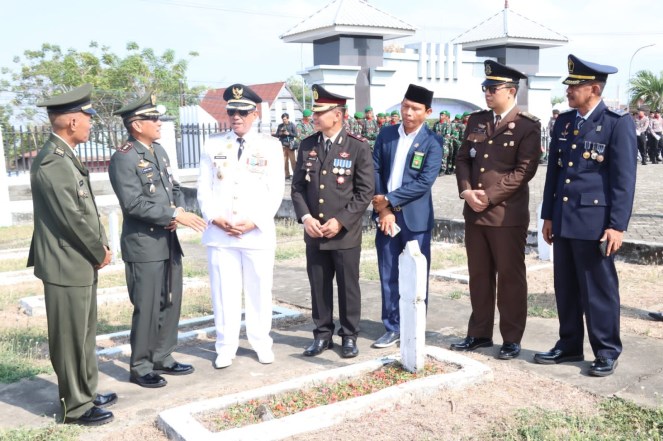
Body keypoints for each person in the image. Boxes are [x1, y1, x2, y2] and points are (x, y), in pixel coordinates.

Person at [534, 54, 637, 377]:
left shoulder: (616, 123)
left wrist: (616, 226)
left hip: (595, 223)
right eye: (568, 86)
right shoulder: (565, 122)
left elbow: (623, 181)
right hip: (564, 218)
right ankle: (569, 344)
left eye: (574, 86)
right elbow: (554, 173)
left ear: (594, 89)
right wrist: (548, 216)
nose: (568, 91)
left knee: (598, 290)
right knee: (565, 287)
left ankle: (606, 350)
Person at [28, 84, 116, 426]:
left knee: (84, 334)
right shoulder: (53, 162)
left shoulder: (65, 156)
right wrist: (98, 250)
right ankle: (76, 407)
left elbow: (85, 210)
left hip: (78, 259)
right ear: (71, 122)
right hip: (65, 261)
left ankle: (87, 392)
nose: (91, 124)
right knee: (69, 339)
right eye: (87, 118)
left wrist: (101, 246)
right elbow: (71, 219)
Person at [109, 92, 207, 388]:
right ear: (136, 125)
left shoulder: (159, 151)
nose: (159, 122)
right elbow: (133, 203)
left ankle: (163, 356)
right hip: (144, 245)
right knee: (148, 306)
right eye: (153, 118)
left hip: (167, 240)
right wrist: (172, 214)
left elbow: (173, 187)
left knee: (170, 300)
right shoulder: (124, 157)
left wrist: (178, 210)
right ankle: (140, 366)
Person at [450, 60, 541, 360]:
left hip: (506, 215)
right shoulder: (477, 120)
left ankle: (511, 338)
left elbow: (524, 171)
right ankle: (479, 333)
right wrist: (466, 190)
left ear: (511, 91)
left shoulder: (527, 125)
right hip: (475, 213)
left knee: (510, 278)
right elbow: (463, 159)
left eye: (493, 89)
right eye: (485, 88)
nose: (487, 93)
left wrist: (488, 197)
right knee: (479, 275)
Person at [197, 84, 284, 368]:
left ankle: (261, 342)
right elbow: (204, 187)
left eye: (243, 112)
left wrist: (254, 221)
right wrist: (214, 217)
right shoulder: (213, 144)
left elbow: (275, 190)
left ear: (254, 114)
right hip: (221, 234)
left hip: (256, 233)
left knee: (259, 291)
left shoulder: (270, 146)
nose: (236, 117)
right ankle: (225, 346)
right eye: (232, 111)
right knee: (224, 293)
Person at [291, 84, 374, 358]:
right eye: (314, 113)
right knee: (319, 286)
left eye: (320, 112)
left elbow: (365, 192)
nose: (314, 117)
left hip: (344, 233)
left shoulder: (357, 146)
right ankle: (322, 335)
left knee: (348, 287)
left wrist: (341, 221)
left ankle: (349, 335)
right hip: (315, 231)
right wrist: (306, 217)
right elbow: (297, 188)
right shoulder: (308, 145)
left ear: (337, 115)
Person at [371, 84, 444, 348]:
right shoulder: (386, 134)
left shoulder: (433, 142)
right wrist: (384, 209)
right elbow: (375, 170)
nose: (408, 113)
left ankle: (415, 325)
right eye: (405, 106)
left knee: (416, 274)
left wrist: (390, 199)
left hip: (415, 220)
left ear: (427, 112)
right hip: (386, 217)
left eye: (415, 108)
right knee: (388, 272)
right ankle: (392, 327)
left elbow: (424, 182)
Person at [276, 112, 298, 180]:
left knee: (293, 161)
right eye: (283, 119)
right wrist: (281, 133)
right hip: (283, 145)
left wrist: (289, 133)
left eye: (285, 119)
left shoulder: (292, 125)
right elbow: (277, 135)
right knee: (285, 161)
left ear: (288, 118)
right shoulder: (280, 126)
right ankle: (287, 175)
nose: (284, 120)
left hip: (290, 145)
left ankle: (295, 175)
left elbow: (296, 134)